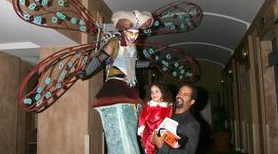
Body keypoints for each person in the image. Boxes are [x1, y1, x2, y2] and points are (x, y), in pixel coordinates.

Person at [78, 10, 153, 154]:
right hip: (117, 86)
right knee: (121, 128)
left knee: (131, 130)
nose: (133, 37)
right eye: (130, 33)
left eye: (136, 34)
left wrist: (147, 64)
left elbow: (131, 64)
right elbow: (100, 58)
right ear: (123, 31)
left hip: (131, 87)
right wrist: (86, 71)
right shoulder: (114, 43)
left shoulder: (133, 47)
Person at [152, 84, 200, 154]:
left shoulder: (192, 124)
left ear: (191, 102)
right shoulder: (167, 115)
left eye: (185, 94)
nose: (180, 95)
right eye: (179, 92)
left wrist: (162, 146)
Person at [138, 82, 173, 154]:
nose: (154, 94)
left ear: (163, 92)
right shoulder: (149, 105)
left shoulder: (168, 106)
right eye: (152, 92)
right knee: (147, 148)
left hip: (160, 133)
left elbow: (168, 119)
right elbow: (142, 117)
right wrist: (141, 129)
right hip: (147, 131)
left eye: (156, 91)